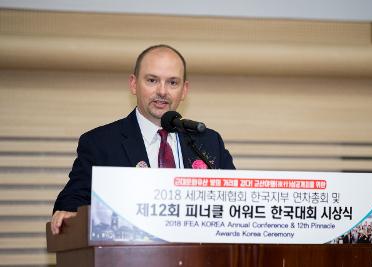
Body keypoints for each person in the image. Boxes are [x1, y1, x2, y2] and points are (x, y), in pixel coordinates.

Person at [51, 44, 235, 234]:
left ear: (184, 90)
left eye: (172, 82)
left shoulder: (208, 142)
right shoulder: (101, 143)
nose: (162, 91)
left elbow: (235, 200)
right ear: (133, 84)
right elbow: (73, 199)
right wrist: (69, 213)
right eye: (152, 80)